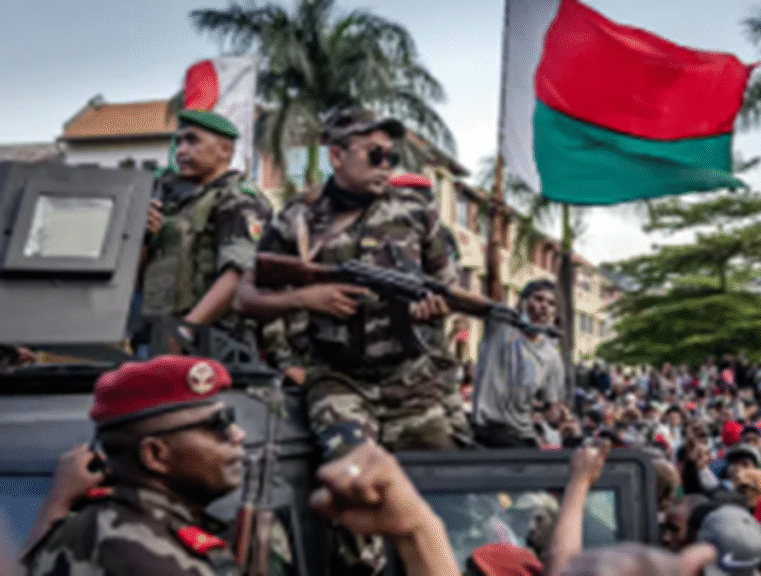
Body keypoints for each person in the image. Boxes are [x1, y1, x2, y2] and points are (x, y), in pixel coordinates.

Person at [20, 355, 459, 576]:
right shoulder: (151, 555)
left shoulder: (89, 527)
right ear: (155, 455)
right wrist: (419, 533)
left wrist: (56, 505)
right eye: (217, 425)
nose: (238, 436)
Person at [236, 107, 466, 454]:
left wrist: (433, 310)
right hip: (336, 380)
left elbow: (448, 291)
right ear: (337, 156)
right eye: (375, 154)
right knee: (352, 475)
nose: (386, 164)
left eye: (392, 156)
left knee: (437, 481)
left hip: (411, 382)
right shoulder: (298, 218)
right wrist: (306, 299)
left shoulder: (416, 213)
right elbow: (245, 299)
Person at [139, 110, 271, 350]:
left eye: (192, 141)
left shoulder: (239, 199)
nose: (181, 151)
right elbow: (141, 279)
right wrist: (144, 237)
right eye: (178, 142)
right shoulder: (173, 201)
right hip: (160, 332)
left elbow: (237, 275)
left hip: (214, 342)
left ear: (224, 151)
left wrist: (185, 331)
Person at [471, 278, 564, 448]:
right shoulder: (501, 326)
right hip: (488, 428)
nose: (544, 306)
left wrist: (561, 418)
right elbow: (494, 281)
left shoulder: (552, 357)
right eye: (538, 299)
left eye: (551, 303)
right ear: (522, 302)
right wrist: (494, 252)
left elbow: (551, 412)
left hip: (524, 434)